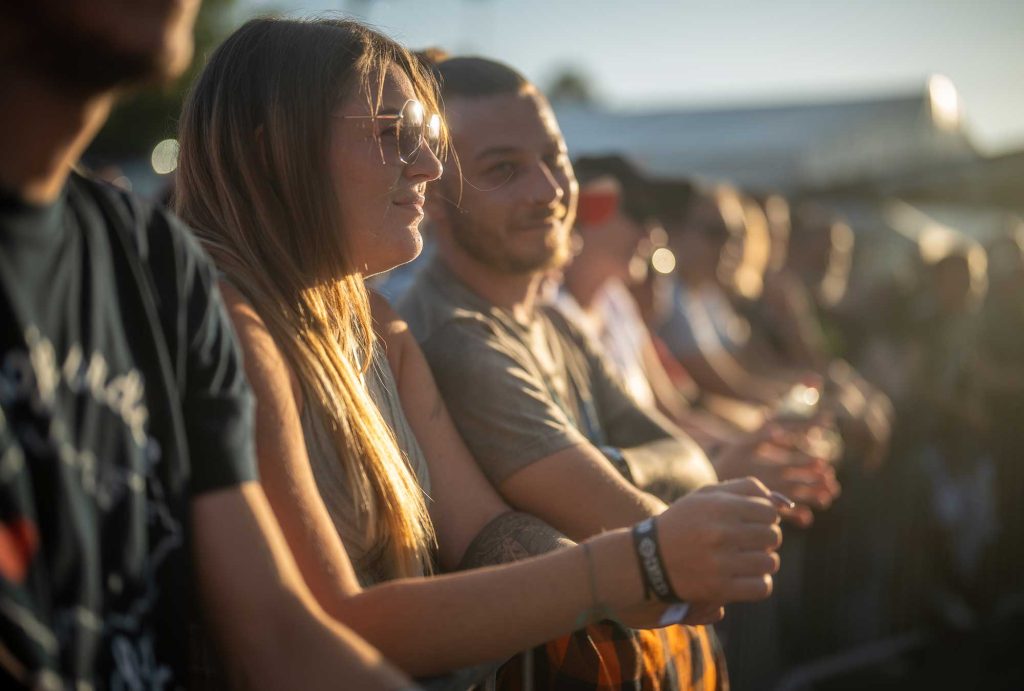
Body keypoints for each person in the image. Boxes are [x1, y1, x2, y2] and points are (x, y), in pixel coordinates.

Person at [175, 18, 784, 689]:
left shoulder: (380, 328)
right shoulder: (232, 325)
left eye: (429, 139)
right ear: (274, 153)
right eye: (390, 134)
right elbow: (332, 626)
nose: (432, 168)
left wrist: (618, 601)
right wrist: (633, 566)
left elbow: (484, 531)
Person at [0, 1, 413, 689]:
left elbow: (278, 635)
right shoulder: (224, 295)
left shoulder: (156, 262)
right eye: (390, 130)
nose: (426, 165)